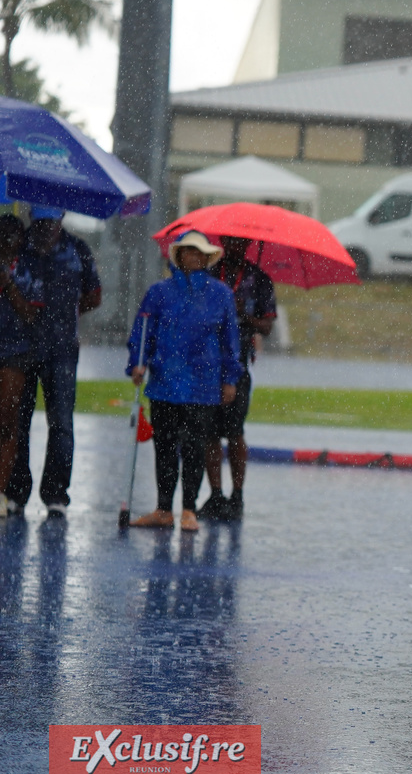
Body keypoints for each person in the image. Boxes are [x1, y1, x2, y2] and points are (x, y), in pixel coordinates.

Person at [125, 232, 241, 532]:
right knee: (164, 447)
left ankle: (188, 508)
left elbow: (230, 340)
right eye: (190, 252)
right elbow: (142, 333)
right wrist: (137, 364)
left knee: (194, 448)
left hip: (203, 385)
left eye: (201, 253)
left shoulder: (220, 294)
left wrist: (230, 379)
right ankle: (164, 508)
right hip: (164, 382)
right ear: (179, 256)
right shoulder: (159, 292)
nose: (196, 257)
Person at [5, 206, 101, 517]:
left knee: (61, 422)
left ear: (60, 218)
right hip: (21, 346)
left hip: (61, 350)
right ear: (32, 217)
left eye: (51, 221)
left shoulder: (78, 249)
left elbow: (93, 295)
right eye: (41, 220)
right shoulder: (19, 246)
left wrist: (66, 316)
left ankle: (56, 493)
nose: (46, 227)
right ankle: (16, 491)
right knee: (18, 420)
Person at [200, 237, 277, 520]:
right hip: (207, 364)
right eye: (231, 241)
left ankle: (237, 496)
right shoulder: (207, 274)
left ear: (248, 244)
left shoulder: (259, 279)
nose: (236, 247)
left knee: (234, 432)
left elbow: (267, 326)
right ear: (223, 241)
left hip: (239, 365)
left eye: (241, 242)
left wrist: (245, 316)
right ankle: (215, 494)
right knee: (209, 432)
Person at [0, 215, 40, 517]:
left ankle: (2, 491)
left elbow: (31, 314)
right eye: (4, 235)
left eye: (15, 235)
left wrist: (8, 285)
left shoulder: (28, 268)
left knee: (7, 423)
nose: (9, 241)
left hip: (15, 350)